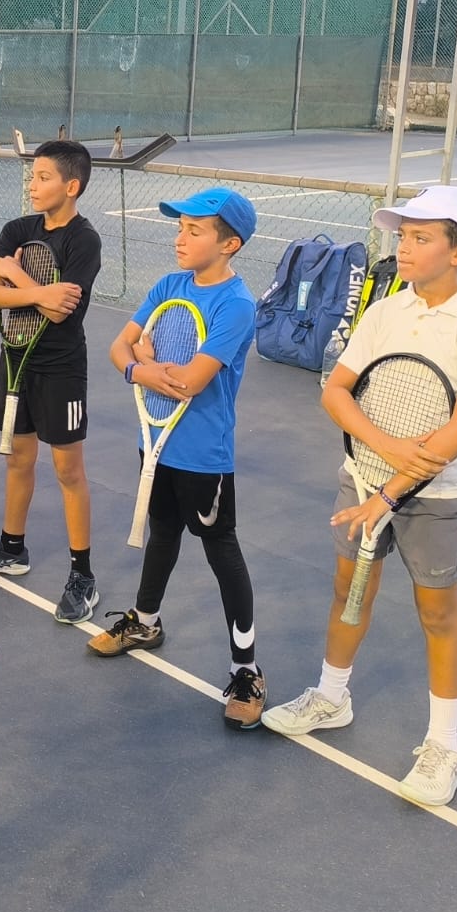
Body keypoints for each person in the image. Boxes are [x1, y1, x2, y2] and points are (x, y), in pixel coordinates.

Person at [261, 186, 457, 807]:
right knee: (350, 591)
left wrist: (392, 492)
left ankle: (446, 746)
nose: (404, 246)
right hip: (364, 477)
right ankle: (331, 696)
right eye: (402, 235)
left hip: (435, 496)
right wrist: (386, 451)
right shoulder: (385, 311)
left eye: (421, 238)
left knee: (437, 615)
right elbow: (336, 392)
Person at [88, 189, 267, 728]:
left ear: (229, 243)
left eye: (195, 230)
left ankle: (247, 669)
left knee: (220, 551)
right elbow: (120, 347)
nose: (180, 238)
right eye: (180, 228)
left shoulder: (235, 306)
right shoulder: (168, 286)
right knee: (163, 532)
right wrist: (143, 366)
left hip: (204, 457)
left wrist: (145, 358)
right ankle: (145, 621)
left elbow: (190, 381)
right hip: (156, 442)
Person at [0, 140, 104, 627]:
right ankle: (12, 550)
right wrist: (26, 281)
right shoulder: (16, 229)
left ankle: (83, 574)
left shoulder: (85, 240)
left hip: (62, 370)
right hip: (17, 362)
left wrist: (12, 274)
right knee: (19, 459)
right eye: (31, 176)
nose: (32, 185)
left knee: (68, 471)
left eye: (42, 177)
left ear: (71, 185)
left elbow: (67, 309)